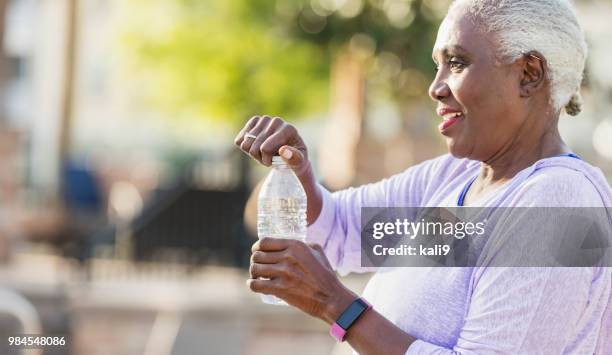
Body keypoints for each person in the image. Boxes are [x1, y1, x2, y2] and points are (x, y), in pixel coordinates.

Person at [234, 0, 612, 354]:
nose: (436, 87)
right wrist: (298, 172)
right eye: (438, 65)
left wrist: (335, 304)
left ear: (528, 74)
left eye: (458, 63)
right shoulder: (456, 177)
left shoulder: (558, 201)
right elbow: (342, 230)